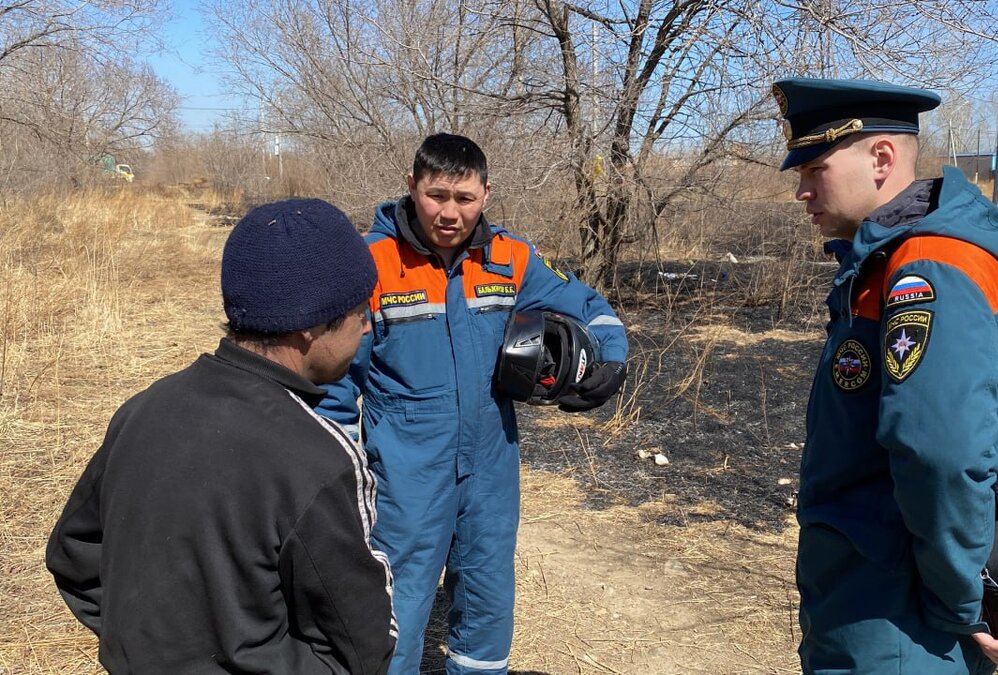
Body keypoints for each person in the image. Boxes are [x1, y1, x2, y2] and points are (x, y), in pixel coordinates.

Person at [317, 133, 628, 674]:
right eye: (437, 195)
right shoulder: (370, 265)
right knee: (400, 600)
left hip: (491, 460)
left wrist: (609, 359)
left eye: (464, 199)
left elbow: (588, 305)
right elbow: (335, 378)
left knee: (487, 591)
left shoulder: (511, 257)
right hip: (406, 470)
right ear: (411, 187)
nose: (449, 213)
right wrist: (329, 469)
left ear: (486, 193)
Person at [46, 199, 397, 673]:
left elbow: (75, 555)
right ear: (313, 327)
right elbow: (360, 645)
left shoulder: (145, 409)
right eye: (360, 313)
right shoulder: (319, 460)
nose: (368, 325)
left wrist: (145, 647)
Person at [772, 77, 998, 674]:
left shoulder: (929, 268)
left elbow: (940, 454)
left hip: (899, 613)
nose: (802, 192)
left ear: (882, 158)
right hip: (869, 593)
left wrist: (964, 605)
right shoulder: (885, 260)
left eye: (815, 169)